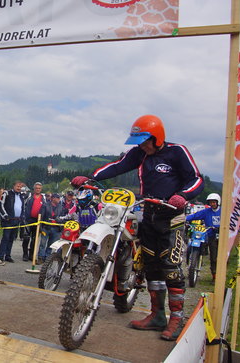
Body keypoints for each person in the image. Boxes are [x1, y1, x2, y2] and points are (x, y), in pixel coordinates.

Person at [72, 115, 204, 341]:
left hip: (172, 217)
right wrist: (91, 178)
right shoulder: (139, 154)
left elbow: (196, 179)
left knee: (170, 267)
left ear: (157, 137)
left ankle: (176, 318)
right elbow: (118, 166)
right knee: (151, 266)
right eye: (138, 142)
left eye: (144, 141)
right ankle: (157, 315)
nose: (142, 145)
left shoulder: (177, 152)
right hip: (149, 214)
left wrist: (183, 195)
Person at [185, 193, 221, 281]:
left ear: (218, 202)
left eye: (214, 202)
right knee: (198, 245)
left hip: (220, 235)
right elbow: (195, 215)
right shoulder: (206, 211)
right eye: (210, 202)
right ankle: (194, 261)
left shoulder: (223, 211)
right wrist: (184, 219)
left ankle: (216, 275)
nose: (212, 204)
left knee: (216, 257)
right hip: (208, 235)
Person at [0, 180, 27, 263]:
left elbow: (23, 207)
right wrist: (5, 215)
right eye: (17, 186)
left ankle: (8, 255)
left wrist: (22, 216)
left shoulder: (21, 196)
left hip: (17, 220)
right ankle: (1, 256)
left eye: (20, 187)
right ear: (13, 186)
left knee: (12, 238)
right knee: (5, 238)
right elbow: (1, 205)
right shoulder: (7, 193)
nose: (19, 188)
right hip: (8, 220)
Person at [23, 182, 49, 262]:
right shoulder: (29, 196)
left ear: (41, 189)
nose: (38, 189)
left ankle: (31, 254)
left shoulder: (43, 198)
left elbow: (46, 209)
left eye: (39, 188)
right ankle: (25, 254)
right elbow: (23, 205)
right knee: (26, 238)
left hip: (38, 221)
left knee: (34, 239)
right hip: (28, 220)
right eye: (36, 188)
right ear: (34, 189)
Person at [38, 193, 63, 261]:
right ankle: (41, 257)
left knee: (51, 244)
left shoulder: (60, 207)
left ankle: (47, 257)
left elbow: (62, 217)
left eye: (59, 198)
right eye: (57, 198)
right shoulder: (45, 205)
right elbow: (41, 216)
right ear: (53, 198)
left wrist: (59, 221)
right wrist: (40, 227)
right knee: (42, 244)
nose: (58, 199)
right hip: (46, 227)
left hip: (55, 228)